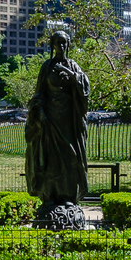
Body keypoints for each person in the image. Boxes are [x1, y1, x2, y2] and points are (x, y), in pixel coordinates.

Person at [25, 29, 90, 213]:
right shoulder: (47, 67)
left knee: (70, 157)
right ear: (52, 46)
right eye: (57, 43)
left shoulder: (73, 66)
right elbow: (38, 95)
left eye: (64, 43)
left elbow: (84, 88)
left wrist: (72, 76)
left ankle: (69, 196)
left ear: (68, 45)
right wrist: (40, 113)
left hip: (68, 122)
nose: (61, 46)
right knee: (50, 160)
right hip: (50, 121)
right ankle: (50, 196)